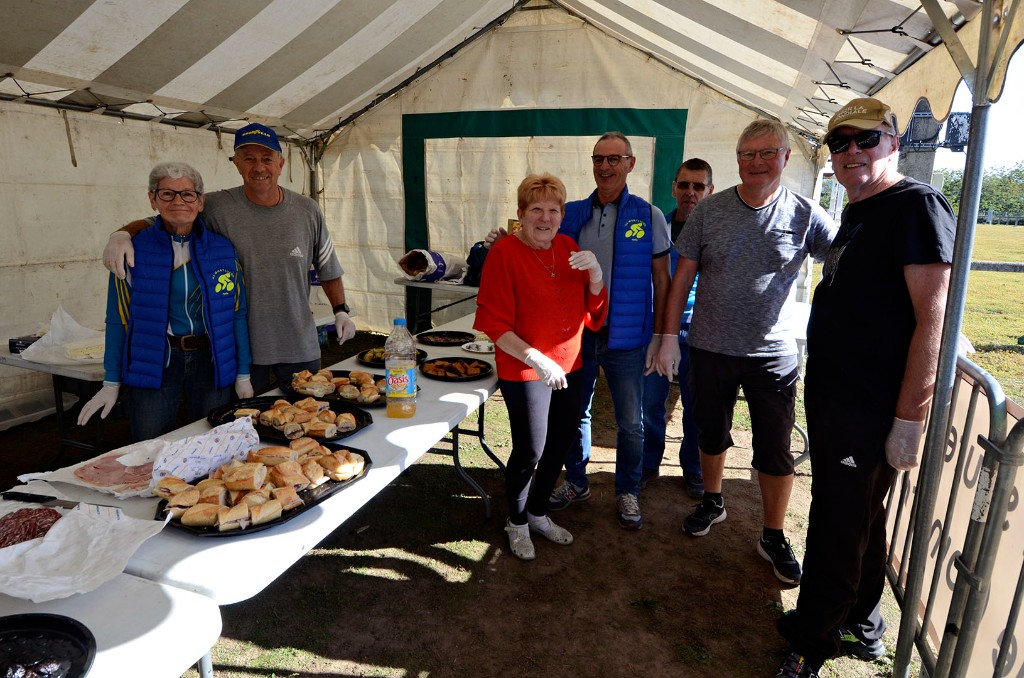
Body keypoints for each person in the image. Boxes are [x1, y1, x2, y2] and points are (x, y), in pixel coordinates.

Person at [775, 98, 954, 677]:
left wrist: (910, 418)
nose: (851, 151)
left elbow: (935, 319)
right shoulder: (859, 208)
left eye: (866, 139)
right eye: (840, 142)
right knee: (861, 516)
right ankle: (862, 621)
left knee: (836, 520)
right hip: (837, 397)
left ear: (893, 142)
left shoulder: (916, 205)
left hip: (869, 405)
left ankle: (812, 641)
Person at [655, 119, 835, 584]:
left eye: (766, 152)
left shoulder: (806, 214)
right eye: (747, 154)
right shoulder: (709, 211)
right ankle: (712, 501)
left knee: (774, 448)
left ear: (785, 157)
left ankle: (773, 534)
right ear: (737, 160)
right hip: (710, 347)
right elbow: (682, 277)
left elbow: (844, 263)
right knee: (710, 433)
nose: (756, 162)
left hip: (773, 355)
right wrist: (669, 336)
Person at [102, 123, 354, 395]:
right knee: (249, 419)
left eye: (267, 159)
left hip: (298, 343)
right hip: (242, 348)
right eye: (249, 159)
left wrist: (340, 310)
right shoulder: (216, 207)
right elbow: (170, 215)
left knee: (307, 414)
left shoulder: (308, 211)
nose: (259, 167)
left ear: (281, 164)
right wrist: (122, 234)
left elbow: (328, 267)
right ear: (236, 164)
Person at [474, 173, 608, 561]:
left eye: (553, 209)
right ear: (520, 214)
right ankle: (516, 522)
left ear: (562, 215)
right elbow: (493, 323)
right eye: (536, 209)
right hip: (527, 369)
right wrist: (536, 357)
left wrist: (596, 276)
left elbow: (593, 312)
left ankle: (536, 513)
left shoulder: (567, 247)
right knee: (530, 448)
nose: (545, 218)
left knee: (560, 443)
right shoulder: (504, 253)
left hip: (572, 365)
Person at [543, 132, 672, 531]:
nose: (605, 167)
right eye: (598, 159)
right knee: (574, 413)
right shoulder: (572, 213)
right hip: (579, 335)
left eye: (614, 159)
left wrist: (661, 336)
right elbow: (541, 250)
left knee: (630, 421)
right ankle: (576, 482)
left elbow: (662, 280)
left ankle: (627, 490)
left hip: (628, 338)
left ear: (631, 163)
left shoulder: (648, 216)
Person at [78, 162, 252, 441]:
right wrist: (111, 380)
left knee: (212, 442)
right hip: (155, 362)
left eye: (188, 194)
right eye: (167, 194)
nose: (178, 201)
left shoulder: (222, 249)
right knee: (151, 444)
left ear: (201, 201)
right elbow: (118, 318)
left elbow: (237, 313)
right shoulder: (132, 250)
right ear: (153, 199)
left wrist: (243, 373)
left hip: (212, 361)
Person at [641, 158, 714, 499]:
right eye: (684, 185)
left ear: (710, 191)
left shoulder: (716, 232)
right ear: (673, 188)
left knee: (696, 407)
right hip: (658, 331)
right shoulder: (659, 228)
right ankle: (647, 463)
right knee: (650, 402)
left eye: (698, 186)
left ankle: (694, 469)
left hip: (700, 333)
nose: (690, 192)